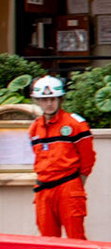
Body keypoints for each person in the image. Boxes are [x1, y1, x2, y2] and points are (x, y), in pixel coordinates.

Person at [28, 76, 94, 239]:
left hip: (68, 186)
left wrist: (78, 183)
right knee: (48, 240)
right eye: (44, 100)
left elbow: (88, 158)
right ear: (37, 101)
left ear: (60, 99)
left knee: (75, 237)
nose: (48, 104)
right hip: (43, 190)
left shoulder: (75, 124)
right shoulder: (35, 127)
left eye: (52, 99)